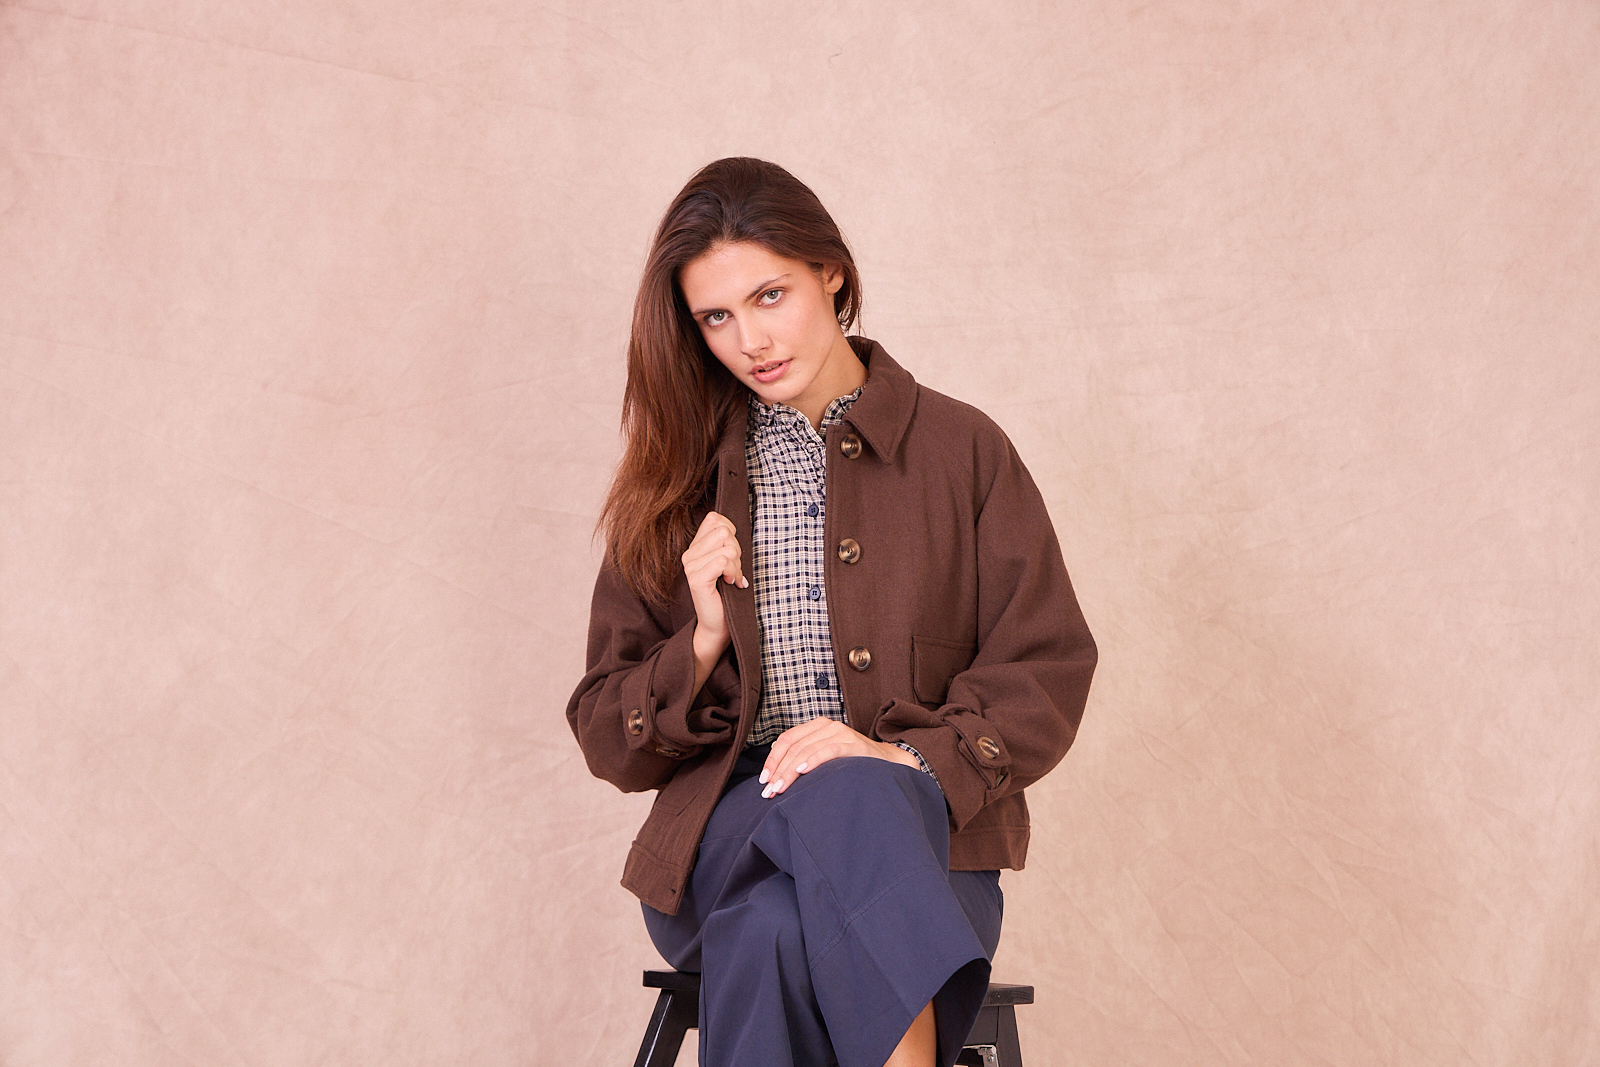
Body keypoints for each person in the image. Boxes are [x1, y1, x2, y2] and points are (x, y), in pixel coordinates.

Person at [566, 157, 1096, 1067]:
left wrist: (900, 759)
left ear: (832, 274)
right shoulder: (675, 481)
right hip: (725, 843)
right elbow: (606, 732)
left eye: (769, 295)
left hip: (926, 855)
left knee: (777, 922)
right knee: (830, 806)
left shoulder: (964, 452)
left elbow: (1045, 668)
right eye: (716, 317)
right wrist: (700, 643)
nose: (751, 339)